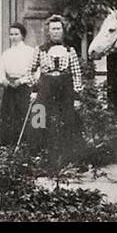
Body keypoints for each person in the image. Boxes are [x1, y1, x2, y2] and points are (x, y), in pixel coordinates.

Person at [29, 15, 84, 167]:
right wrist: (34, 88)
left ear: (63, 31)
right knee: (38, 119)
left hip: (65, 87)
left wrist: (77, 96)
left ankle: (65, 159)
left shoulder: (70, 50)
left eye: (58, 29)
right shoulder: (40, 50)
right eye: (53, 29)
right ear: (48, 31)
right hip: (45, 86)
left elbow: (76, 74)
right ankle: (39, 156)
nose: (55, 32)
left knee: (66, 120)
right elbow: (31, 70)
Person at [0, 22, 39, 147]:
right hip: (10, 88)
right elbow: (1, 72)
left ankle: (25, 146)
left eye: (16, 34)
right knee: (9, 116)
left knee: (24, 115)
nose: (13, 37)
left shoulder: (30, 52)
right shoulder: (6, 53)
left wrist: (22, 81)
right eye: (11, 34)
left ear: (22, 36)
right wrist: (4, 81)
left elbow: (36, 72)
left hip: (24, 88)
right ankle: (9, 146)